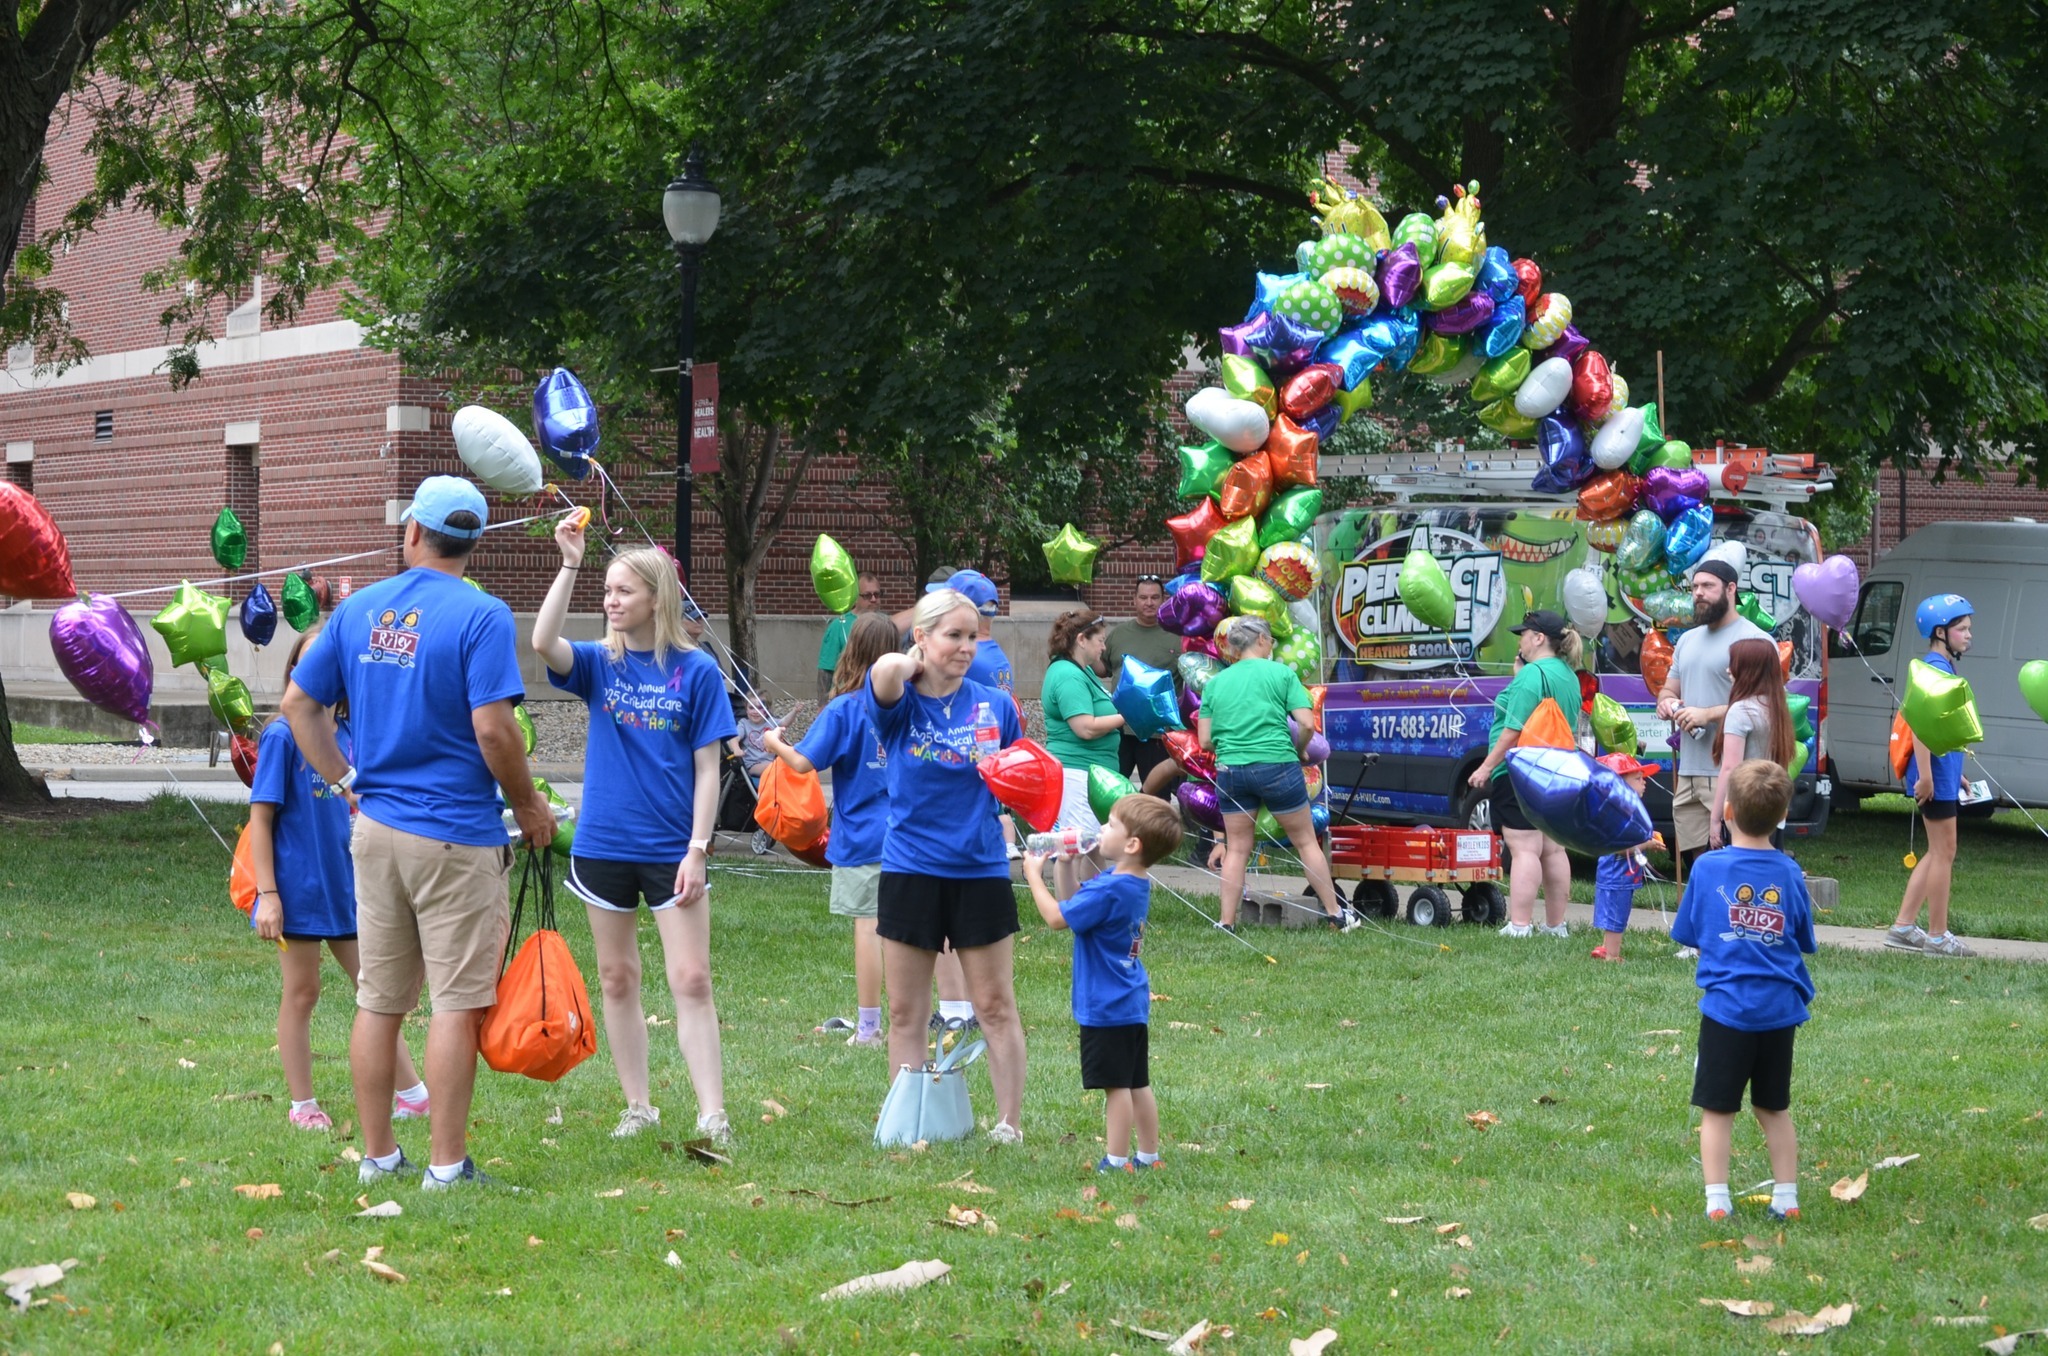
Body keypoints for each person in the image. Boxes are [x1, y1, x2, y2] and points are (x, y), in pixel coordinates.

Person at [283, 475, 554, 1192]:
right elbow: (494, 729)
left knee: (380, 999)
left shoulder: (358, 610)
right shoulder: (483, 615)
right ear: (474, 543)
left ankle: (377, 1158)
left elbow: (296, 704)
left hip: (374, 832)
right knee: (456, 1002)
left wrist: (345, 782)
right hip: (456, 837)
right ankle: (444, 1166)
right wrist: (527, 806)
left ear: (412, 532)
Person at [531, 513, 737, 1144]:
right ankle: (638, 1106)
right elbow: (543, 643)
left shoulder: (697, 672)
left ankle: (712, 1114)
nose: (611, 602)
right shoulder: (599, 663)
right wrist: (570, 563)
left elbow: (709, 771)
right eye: (607, 592)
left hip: (673, 850)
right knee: (617, 977)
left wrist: (698, 848)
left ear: (656, 598)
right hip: (603, 845)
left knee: (691, 978)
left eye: (623, 591)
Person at [867, 588, 1029, 1142]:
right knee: (907, 1013)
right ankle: (905, 1123)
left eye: (973, 636)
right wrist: (913, 661)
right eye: (954, 635)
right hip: (911, 869)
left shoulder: (995, 704)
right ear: (922, 637)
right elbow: (885, 672)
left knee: (993, 1004)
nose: (966, 647)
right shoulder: (899, 699)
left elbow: (1017, 774)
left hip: (979, 868)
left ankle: (1008, 1123)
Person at [249, 628, 424, 1130]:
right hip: (299, 893)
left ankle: (412, 1092)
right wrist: (268, 895)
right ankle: (302, 1104)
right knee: (302, 992)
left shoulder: (351, 735)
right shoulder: (282, 735)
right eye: (310, 664)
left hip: (351, 893)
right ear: (293, 673)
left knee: (376, 991)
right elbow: (261, 819)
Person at [1670, 760, 1817, 1224]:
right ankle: (1786, 1198)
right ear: (1783, 815)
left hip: (1726, 1011)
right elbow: (1803, 937)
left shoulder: (1708, 868)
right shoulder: (1791, 873)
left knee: (1717, 1111)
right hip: (1779, 1011)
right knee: (1774, 1107)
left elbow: (1689, 931)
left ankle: (1717, 1201)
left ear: (1728, 809)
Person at [1021, 793, 1183, 1172]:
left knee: (1116, 1086)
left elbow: (1057, 918)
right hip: (1129, 1000)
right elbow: (1075, 904)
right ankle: (1148, 1155)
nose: (1101, 830)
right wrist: (1066, 865)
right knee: (1137, 1081)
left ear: (1131, 844)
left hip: (1106, 1005)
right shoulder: (1126, 881)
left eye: (1110, 824)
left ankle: (1116, 1159)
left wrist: (1032, 875)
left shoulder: (1111, 888)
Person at [763, 614, 900, 1046]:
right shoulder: (910, 703)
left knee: (869, 926)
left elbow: (803, 762)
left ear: (852, 652)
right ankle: (917, 1015)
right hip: (911, 836)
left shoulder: (843, 708)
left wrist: (772, 743)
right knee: (907, 929)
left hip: (863, 837)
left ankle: (870, 1027)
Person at [1198, 616, 1349, 932]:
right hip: (1278, 765)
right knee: (1307, 842)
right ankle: (1336, 915)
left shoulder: (1215, 683)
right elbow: (1307, 723)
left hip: (1231, 771)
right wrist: (1301, 750)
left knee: (1237, 847)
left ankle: (1226, 921)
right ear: (1263, 641)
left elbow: (1205, 741)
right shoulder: (1282, 674)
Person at [1465, 610, 1585, 937]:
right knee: (1553, 848)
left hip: (1522, 770)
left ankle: (1519, 925)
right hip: (1559, 769)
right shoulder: (1568, 676)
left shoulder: (1532, 676)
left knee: (1523, 847)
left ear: (1538, 638)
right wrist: (1521, 674)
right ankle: (1556, 925)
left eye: (1523, 634)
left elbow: (1512, 730)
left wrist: (1486, 766)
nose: (1520, 640)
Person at [1654, 560, 1770, 875]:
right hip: (1689, 769)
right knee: (1697, 865)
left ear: (1731, 589)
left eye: (1708, 586)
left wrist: (1708, 714)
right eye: (1694, 587)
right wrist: (1666, 704)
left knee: (1736, 861)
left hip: (1733, 774)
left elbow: (1766, 704)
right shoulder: (1688, 640)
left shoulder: (1755, 641)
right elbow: (1667, 691)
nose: (1699, 594)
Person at [1888, 594, 1977, 958]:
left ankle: (1904, 926)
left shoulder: (1941, 666)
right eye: (1962, 628)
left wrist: (1956, 773)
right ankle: (1938, 936)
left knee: (1938, 850)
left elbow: (1942, 728)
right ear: (1940, 632)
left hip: (1942, 773)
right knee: (1945, 851)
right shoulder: (1934, 668)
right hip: (1932, 776)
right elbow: (1921, 727)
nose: (1969, 635)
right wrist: (1926, 776)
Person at [1040, 608, 1125, 898]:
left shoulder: (1083, 671)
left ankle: (1095, 903)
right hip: (1076, 773)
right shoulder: (1066, 675)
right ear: (1081, 640)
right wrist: (1127, 716)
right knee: (1077, 845)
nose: (1104, 646)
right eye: (1100, 640)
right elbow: (1085, 727)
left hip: (1091, 773)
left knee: (1093, 845)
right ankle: (1069, 907)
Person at [1711, 638, 1798, 850]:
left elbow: (1731, 768)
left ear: (1748, 669)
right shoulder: (1777, 707)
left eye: (1733, 663)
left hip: (1743, 814)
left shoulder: (1741, 711)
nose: (1728, 669)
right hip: (1773, 811)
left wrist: (1715, 818)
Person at [1105, 575, 1178, 784]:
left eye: (1155, 597)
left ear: (1163, 600)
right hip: (1119, 729)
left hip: (1158, 733)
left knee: (1156, 796)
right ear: (1134, 600)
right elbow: (1102, 668)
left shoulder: (1176, 636)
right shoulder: (1118, 634)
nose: (1149, 603)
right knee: (1113, 789)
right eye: (1143, 597)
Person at [1588, 752, 1660, 963]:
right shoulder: (1618, 813)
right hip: (1617, 876)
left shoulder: (1620, 809)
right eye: (1637, 778)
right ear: (1619, 784)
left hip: (1620, 874)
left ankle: (1605, 947)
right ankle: (1612, 955)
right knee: (1616, 916)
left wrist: (1648, 837)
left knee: (1614, 913)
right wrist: (1648, 844)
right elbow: (1619, 847)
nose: (1644, 782)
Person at [817, 572, 882, 702]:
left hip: (879, 700)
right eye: (867, 595)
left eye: (877, 594)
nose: (873, 599)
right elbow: (826, 670)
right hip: (848, 699)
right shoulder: (839, 626)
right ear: (855, 597)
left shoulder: (885, 624)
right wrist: (822, 706)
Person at [732, 694, 779, 855]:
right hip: (752, 767)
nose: (755, 711)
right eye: (752, 707)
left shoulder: (770, 724)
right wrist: (736, 749)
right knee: (778, 767)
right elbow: (733, 737)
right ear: (745, 709)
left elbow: (784, 723)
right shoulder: (744, 724)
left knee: (783, 769)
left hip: (771, 768)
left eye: (760, 707)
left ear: (766, 710)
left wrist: (795, 710)